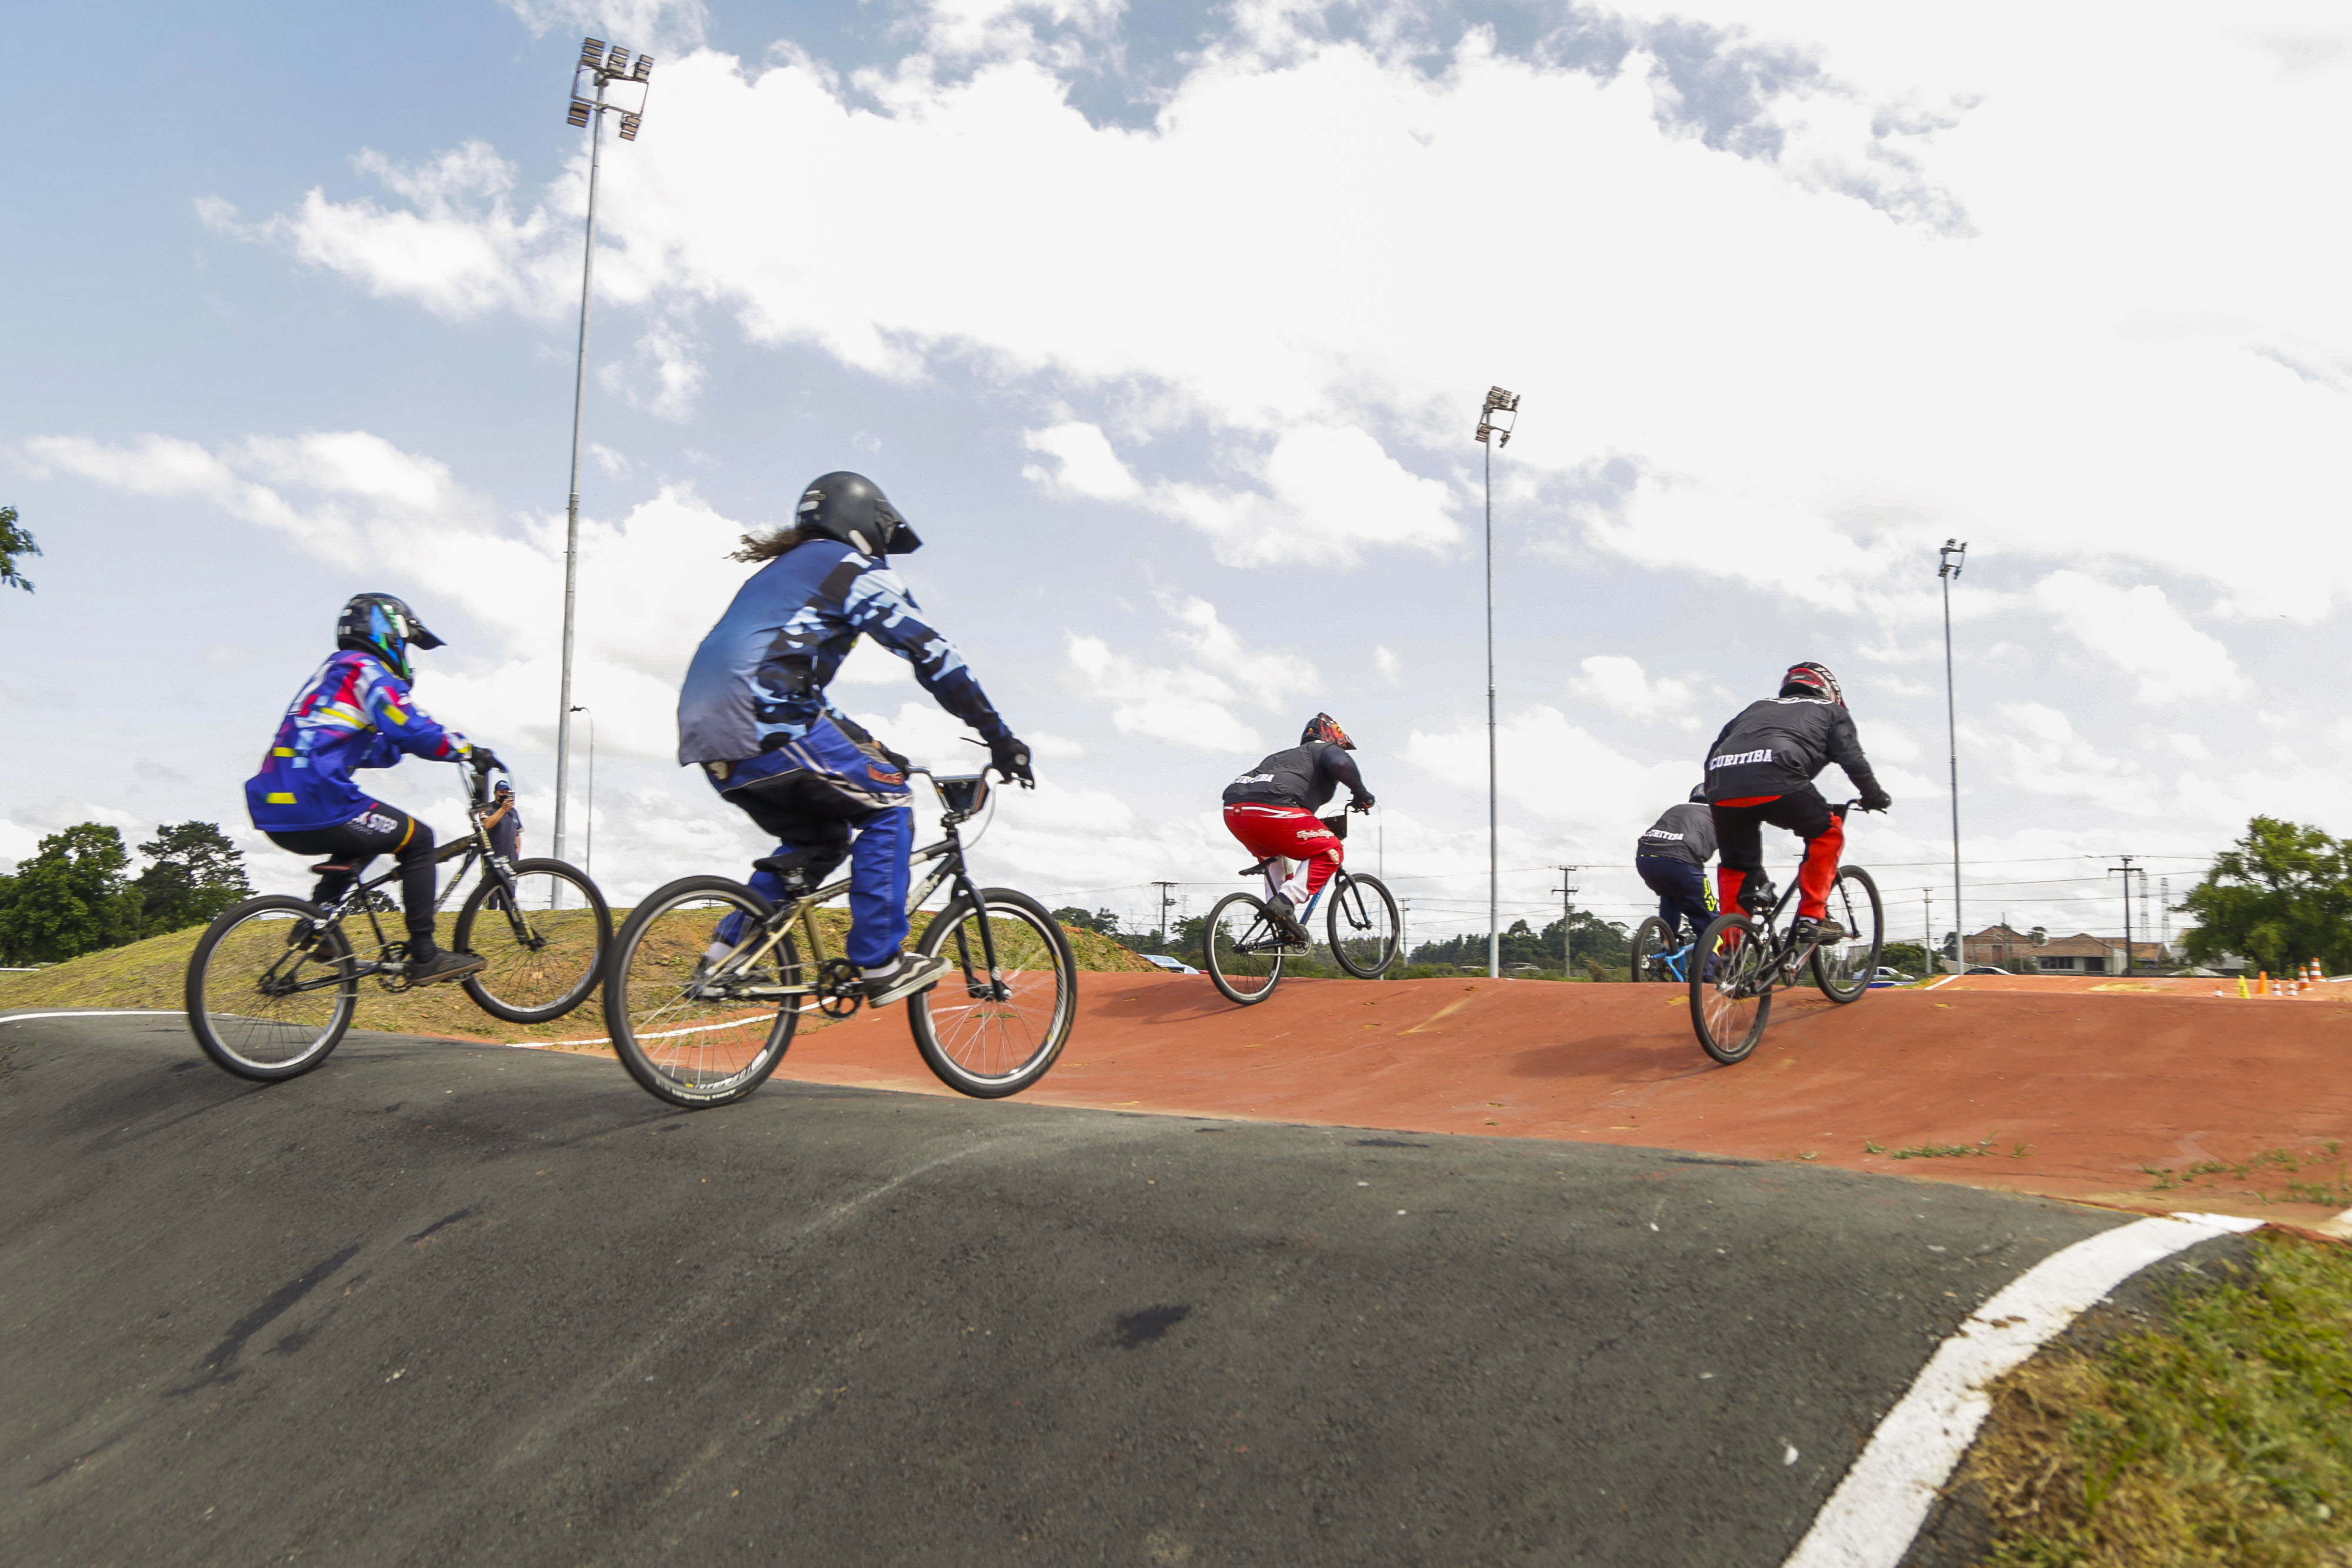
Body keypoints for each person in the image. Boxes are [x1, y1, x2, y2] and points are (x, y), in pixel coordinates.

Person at [677, 471, 1033, 1006]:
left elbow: (790, 673)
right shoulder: (852, 569)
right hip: (766, 714)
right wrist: (999, 736)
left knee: (817, 842)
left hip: (708, 730)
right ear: (865, 523)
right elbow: (933, 655)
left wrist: (870, 746)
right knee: (889, 803)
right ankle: (879, 961)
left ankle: (727, 956)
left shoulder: (783, 574)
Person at [245, 593, 502, 984]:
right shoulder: (368, 670)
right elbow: (412, 727)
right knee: (418, 838)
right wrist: (468, 751)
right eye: (407, 643)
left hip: (275, 804)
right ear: (389, 634)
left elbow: (366, 746)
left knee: (364, 832)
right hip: (317, 797)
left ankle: (317, 923)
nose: (406, 654)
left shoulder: (333, 673)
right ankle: (424, 953)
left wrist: (402, 746)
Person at [1700, 661, 1890, 943]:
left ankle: (1731, 950)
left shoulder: (1755, 708)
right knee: (1828, 832)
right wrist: (1874, 796)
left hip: (1721, 784)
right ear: (1828, 690)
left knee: (1737, 867)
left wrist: (1719, 788)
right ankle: (1813, 917)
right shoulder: (1832, 711)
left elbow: (1713, 753)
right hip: (1779, 778)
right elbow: (1852, 759)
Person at [1221, 714, 1376, 940]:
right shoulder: (1323, 749)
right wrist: (1361, 794)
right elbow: (1341, 763)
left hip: (1235, 811)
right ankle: (1285, 903)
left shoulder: (1283, 757)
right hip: (1274, 809)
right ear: (1332, 737)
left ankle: (1280, 921)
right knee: (1330, 850)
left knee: (1274, 856)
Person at [1635, 785, 1716, 947]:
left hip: (1645, 860)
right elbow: (1737, 856)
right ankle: (1707, 971)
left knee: (1670, 893)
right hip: (1682, 862)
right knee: (1711, 926)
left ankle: (1667, 946)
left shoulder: (1678, 809)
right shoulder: (1719, 815)